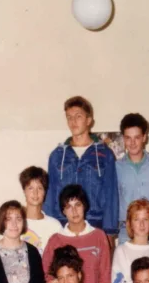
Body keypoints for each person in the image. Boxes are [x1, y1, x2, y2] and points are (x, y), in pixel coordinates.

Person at [43, 96, 119, 238]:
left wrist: (109, 234)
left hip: (95, 226)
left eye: (78, 116)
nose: (73, 121)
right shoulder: (57, 155)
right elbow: (51, 196)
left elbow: (111, 196)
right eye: (69, 117)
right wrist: (49, 231)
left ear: (89, 120)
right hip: (63, 227)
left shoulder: (104, 154)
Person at [43, 184, 111, 283]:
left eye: (78, 205)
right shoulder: (55, 241)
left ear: (84, 206)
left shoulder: (99, 236)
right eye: (69, 207)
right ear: (63, 211)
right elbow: (49, 277)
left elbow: (105, 278)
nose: (74, 211)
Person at [115, 113, 149, 244]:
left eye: (137, 137)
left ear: (144, 138)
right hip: (126, 233)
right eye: (128, 138)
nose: (132, 143)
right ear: (123, 139)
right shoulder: (116, 167)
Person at [19, 166, 62, 254]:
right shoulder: (16, 223)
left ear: (45, 192)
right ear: (24, 191)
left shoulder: (55, 226)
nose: (35, 193)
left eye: (39, 188)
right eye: (30, 188)